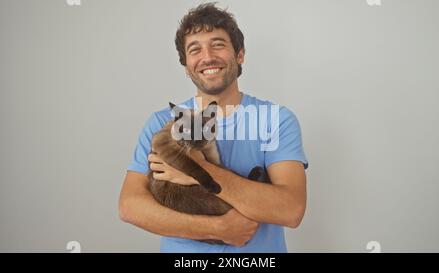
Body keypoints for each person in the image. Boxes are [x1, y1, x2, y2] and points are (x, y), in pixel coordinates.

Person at [119, 3, 309, 252]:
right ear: (186, 66)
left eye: (218, 44)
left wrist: (195, 171)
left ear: (240, 54)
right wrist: (219, 228)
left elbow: (291, 210)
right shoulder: (161, 122)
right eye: (195, 49)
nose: (207, 57)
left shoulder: (276, 119)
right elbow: (130, 206)